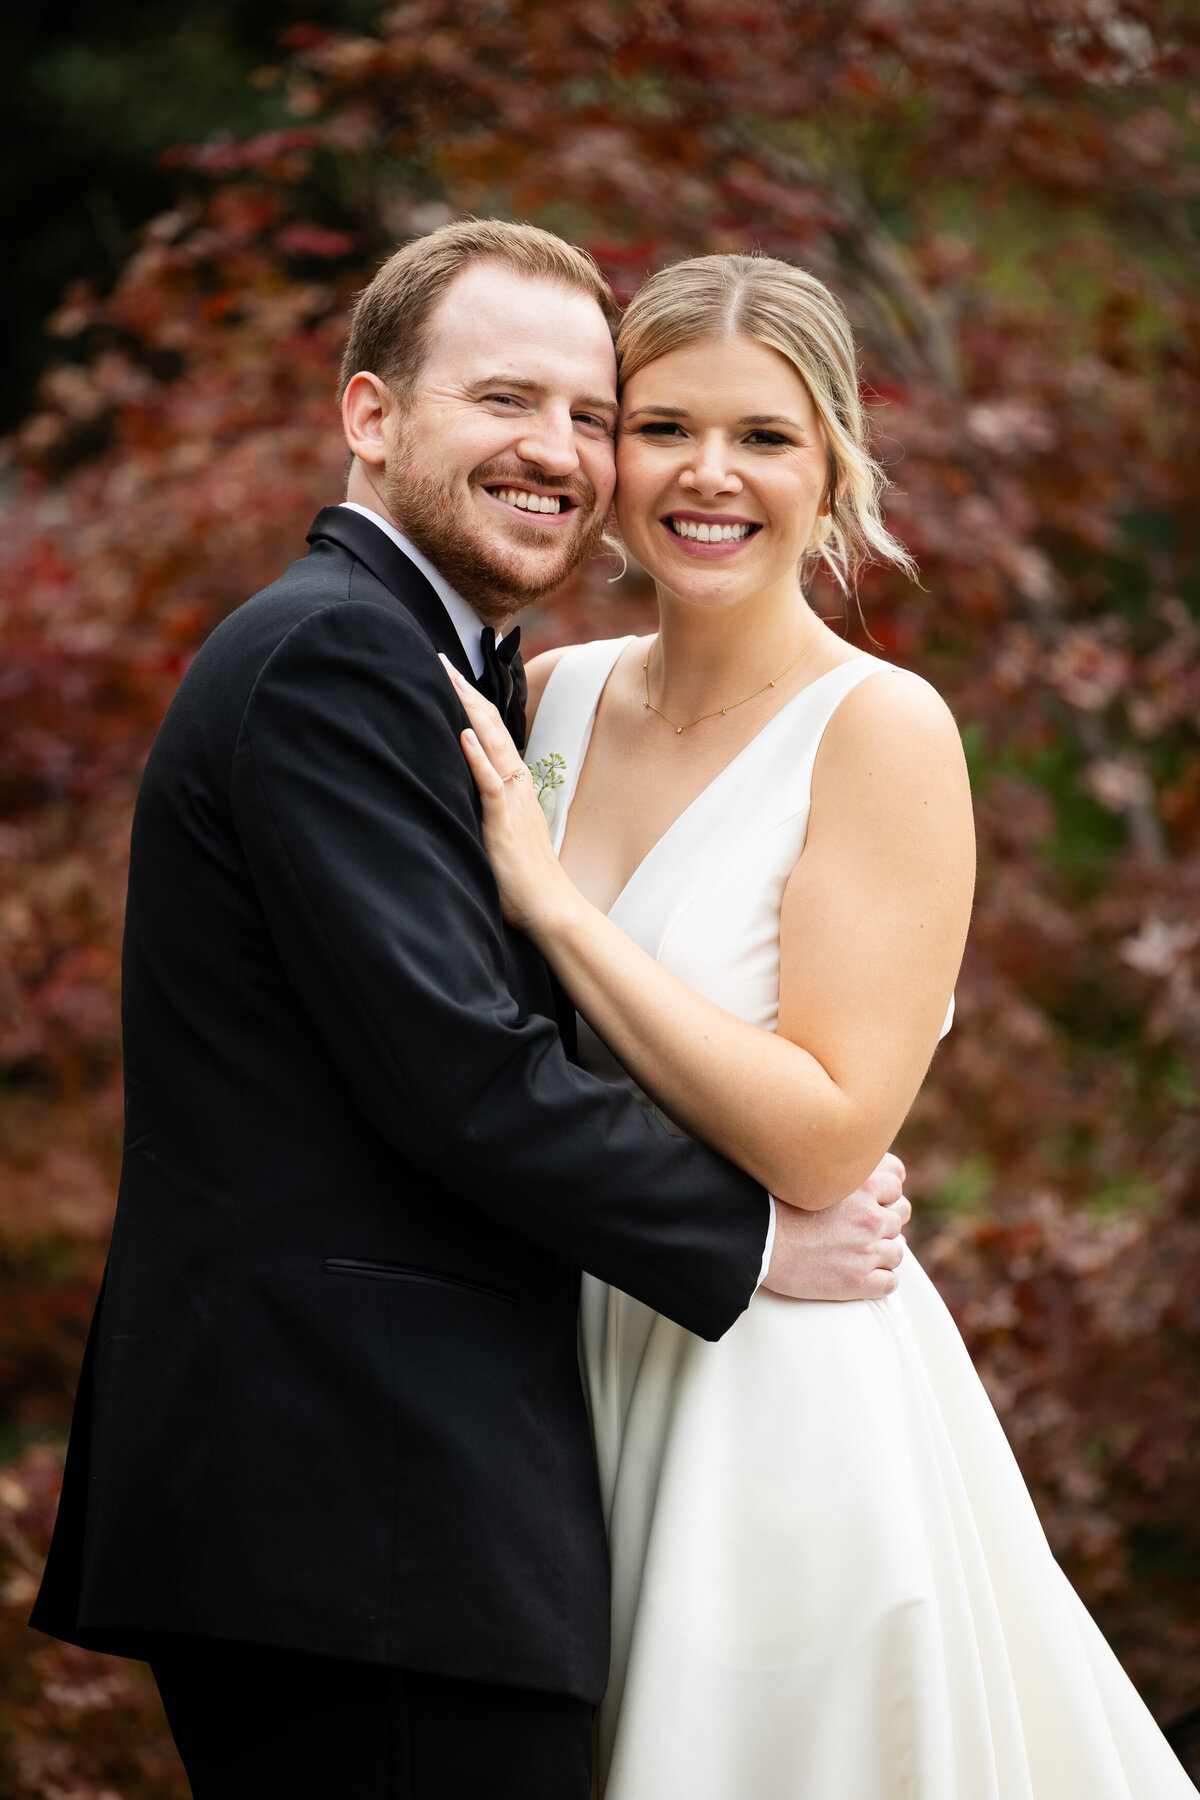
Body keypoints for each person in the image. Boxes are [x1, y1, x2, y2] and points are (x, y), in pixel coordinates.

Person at [28, 221, 913, 1800]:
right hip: (353, 1501)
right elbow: (459, 1076)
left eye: (591, 414)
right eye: (509, 400)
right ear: (370, 415)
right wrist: (765, 1240)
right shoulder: (337, 659)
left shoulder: (483, 678)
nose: (559, 453)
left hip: (438, 1495)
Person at [448, 251, 1198, 1798]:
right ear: (608, 454)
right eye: (661, 429)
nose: (708, 478)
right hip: (552, 1357)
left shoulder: (881, 727)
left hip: (771, 1387)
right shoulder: (551, 698)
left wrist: (560, 909)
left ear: (834, 466)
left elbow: (830, 1130)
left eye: (766, 438)